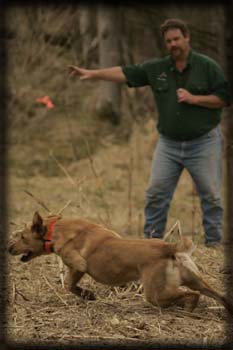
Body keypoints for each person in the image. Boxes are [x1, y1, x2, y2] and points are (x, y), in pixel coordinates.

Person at [68, 18, 230, 247]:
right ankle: (151, 244)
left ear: (187, 38)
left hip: (203, 143)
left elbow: (224, 99)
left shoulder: (207, 66)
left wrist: (195, 99)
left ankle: (214, 244)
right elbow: (125, 73)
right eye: (168, 41)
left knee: (211, 196)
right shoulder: (158, 68)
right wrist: (93, 74)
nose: (173, 44)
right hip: (169, 145)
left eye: (176, 39)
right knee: (156, 194)